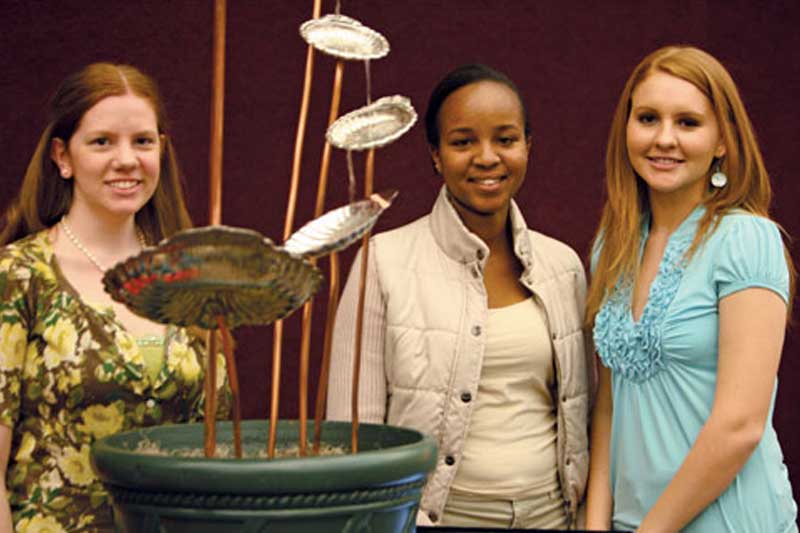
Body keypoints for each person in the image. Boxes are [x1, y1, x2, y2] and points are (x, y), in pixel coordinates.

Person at [327, 64, 592, 529]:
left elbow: (582, 414)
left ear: (528, 146)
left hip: (553, 518)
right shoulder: (382, 263)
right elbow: (354, 440)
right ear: (435, 154)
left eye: (505, 139)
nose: (487, 157)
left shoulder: (563, 267)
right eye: (463, 141)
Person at [0, 63, 227, 532]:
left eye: (142, 141)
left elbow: (217, 452)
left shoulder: (192, 276)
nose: (126, 159)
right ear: (63, 156)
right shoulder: (18, 276)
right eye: (102, 141)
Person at [585, 45, 797, 532]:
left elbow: (739, 426)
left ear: (722, 139)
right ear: (626, 130)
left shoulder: (746, 240)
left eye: (688, 123)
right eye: (648, 118)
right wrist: (596, 525)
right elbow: (609, 409)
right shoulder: (611, 248)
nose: (664, 139)